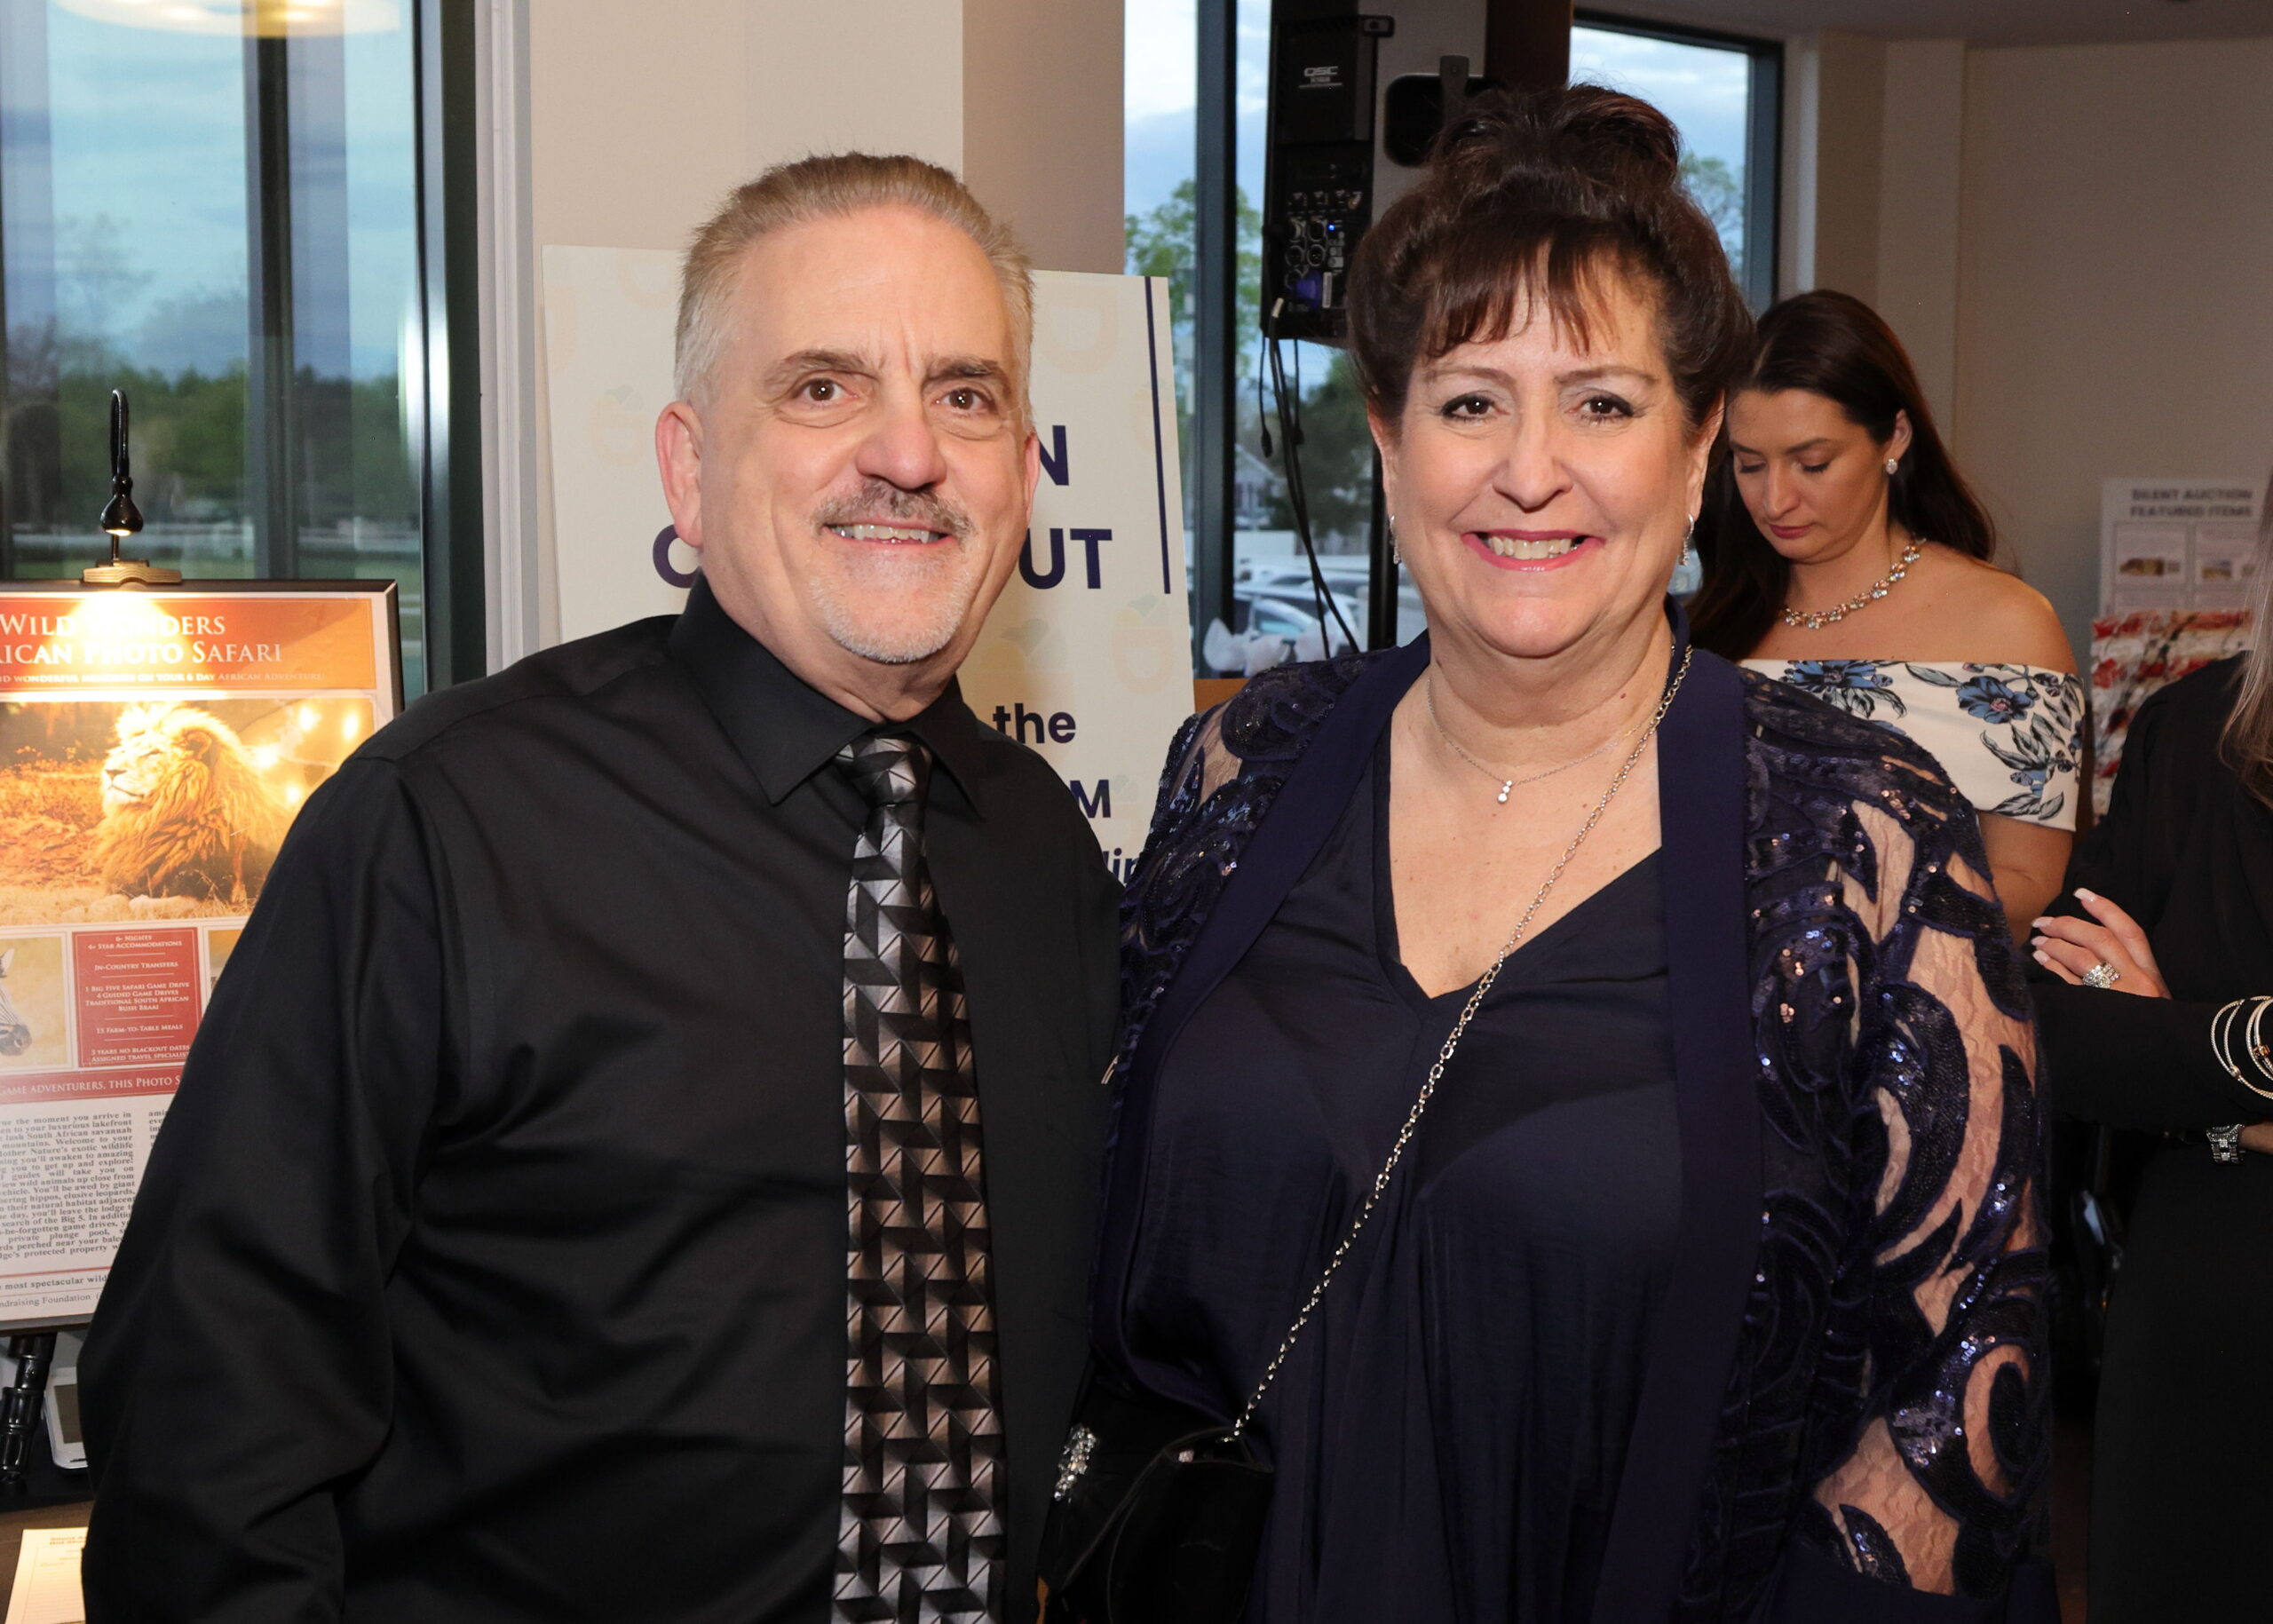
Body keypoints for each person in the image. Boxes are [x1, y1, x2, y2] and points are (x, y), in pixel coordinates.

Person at [80, 154, 1120, 1623]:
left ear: (1021, 465)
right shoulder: (446, 828)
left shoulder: (1043, 856)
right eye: (823, 388)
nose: (908, 450)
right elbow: (208, 1437)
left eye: (965, 394)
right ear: (688, 468)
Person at [1067, 89, 2051, 1622]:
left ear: (1697, 442)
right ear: (1388, 437)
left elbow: (1960, 1372)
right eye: (1471, 403)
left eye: (1600, 404)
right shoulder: (1243, 766)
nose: (1531, 470)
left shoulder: (1857, 835)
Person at [2025, 470, 2273, 1623]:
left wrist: (2178, 1047)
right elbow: (2063, 1027)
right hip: (2202, 1318)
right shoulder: (2193, 732)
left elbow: (2136, 1048)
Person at [1687, 290, 2081, 937]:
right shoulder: (1701, 629)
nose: (1775, 499)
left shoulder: (2007, 624)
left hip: (1918, 982)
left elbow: (2034, 888)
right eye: (1750, 465)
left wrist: (1848, 915)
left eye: (1813, 464)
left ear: (1894, 436)